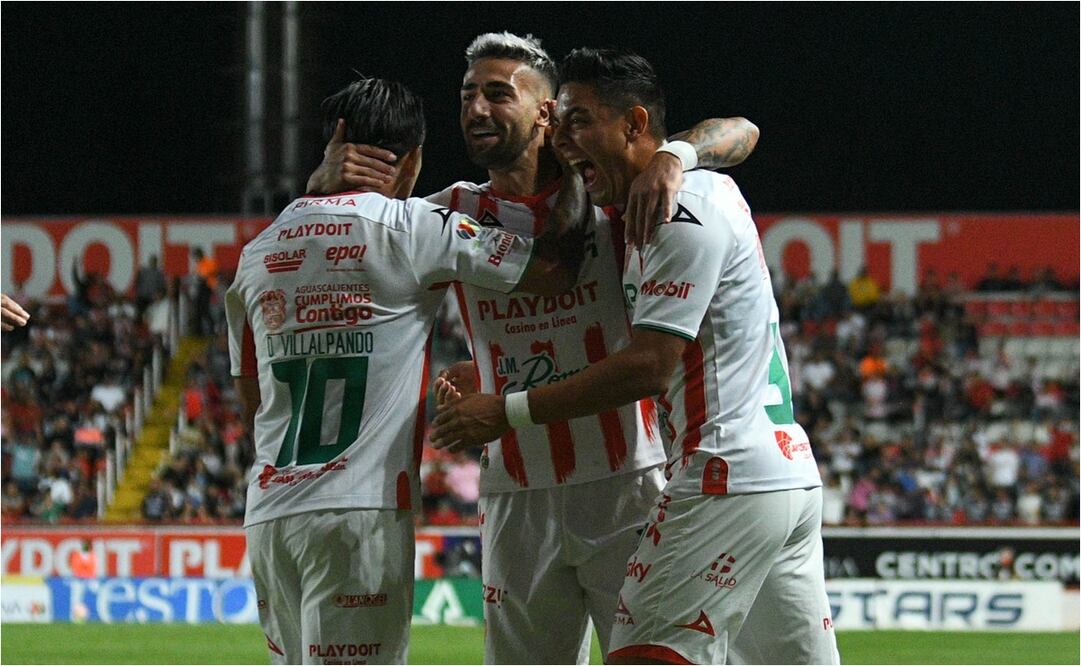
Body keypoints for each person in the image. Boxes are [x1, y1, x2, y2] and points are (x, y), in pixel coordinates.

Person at [306, 32, 760, 664]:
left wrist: (675, 154)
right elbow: (326, 257)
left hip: (627, 481)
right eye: (468, 95)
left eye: (498, 94)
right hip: (516, 494)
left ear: (547, 112)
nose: (477, 109)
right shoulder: (451, 213)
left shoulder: (613, 194)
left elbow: (742, 131)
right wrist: (320, 186)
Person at [431, 48, 839, 665]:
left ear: (634, 125)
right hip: (782, 473)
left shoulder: (671, 210)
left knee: (645, 654)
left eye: (578, 121)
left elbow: (649, 365)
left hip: (716, 471)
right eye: (561, 123)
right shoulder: (676, 196)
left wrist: (506, 410)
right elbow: (739, 134)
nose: (566, 139)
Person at [226, 75, 589, 666]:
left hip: (270, 514)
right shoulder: (413, 228)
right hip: (360, 512)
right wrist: (570, 169)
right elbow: (555, 270)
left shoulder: (256, 252)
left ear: (334, 142)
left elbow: (252, 399)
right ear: (414, 158)